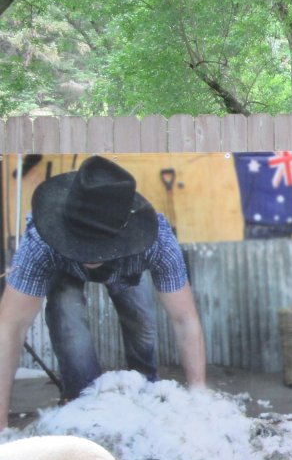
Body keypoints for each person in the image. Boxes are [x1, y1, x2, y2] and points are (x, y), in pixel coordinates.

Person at [0, 156, 206, 430]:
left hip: (125, 265)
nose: (87, 252)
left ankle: (144, 392)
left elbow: (185, 320)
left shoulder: (156, 242)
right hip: (63, 266)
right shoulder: (41, 239)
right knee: (66, 315)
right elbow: (10, 326)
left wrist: (201, 400)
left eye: (93, 243)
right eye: (81, 243)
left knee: (141, 322)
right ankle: (83, 402)